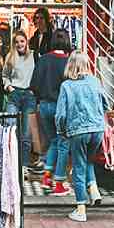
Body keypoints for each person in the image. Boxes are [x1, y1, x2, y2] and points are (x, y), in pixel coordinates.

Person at [55, 51, 107, 222]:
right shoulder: (95, 81)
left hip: (78, 130)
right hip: (97, 129)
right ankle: (93, 188)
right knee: (87, 160)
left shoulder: (67, 86)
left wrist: (61, 132)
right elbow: (105, 104)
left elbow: (61, 115)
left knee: (78, 166)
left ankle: (81, 208)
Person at [31, 29, 72, 195]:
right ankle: (59, 182)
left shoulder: (43, 60)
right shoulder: (68, 62)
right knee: (63, 143)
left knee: (53, 141)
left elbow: (33, 84)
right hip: (61, 107)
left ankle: (47, 176)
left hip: (44, 106)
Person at [3, 30, 36, 170]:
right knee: (9, 128)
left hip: (29, 95)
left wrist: (35, 89)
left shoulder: (34, 55)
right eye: (16, 42)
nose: (19, 44)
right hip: (15, 94)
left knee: (27, 134)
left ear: (26, 42)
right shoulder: (10, 57)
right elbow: (5, 75)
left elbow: (38, 74)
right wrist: (9, 87)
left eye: (22, 41)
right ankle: (10, 164)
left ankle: (23, 165)